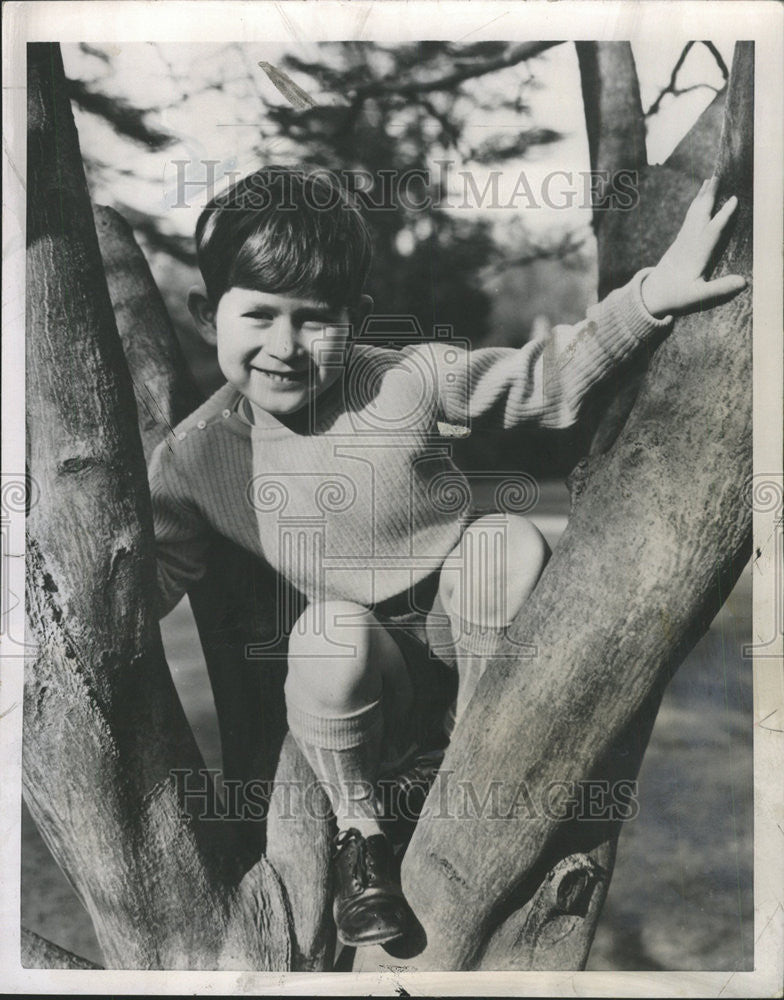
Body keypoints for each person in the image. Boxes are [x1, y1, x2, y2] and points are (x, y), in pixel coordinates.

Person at [149, 167, 745, 948]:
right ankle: (362, 838)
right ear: (207, 315)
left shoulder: (404, 380)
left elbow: (543, 381)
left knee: (502, 539)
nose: (285, 347)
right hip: (365, 682)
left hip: (476, 642)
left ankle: (480, 756)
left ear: (355, 319)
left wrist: (650, 296)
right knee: (326, 630)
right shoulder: (195, 458)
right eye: (258, 314)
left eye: (315, 320)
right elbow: (143, 577)